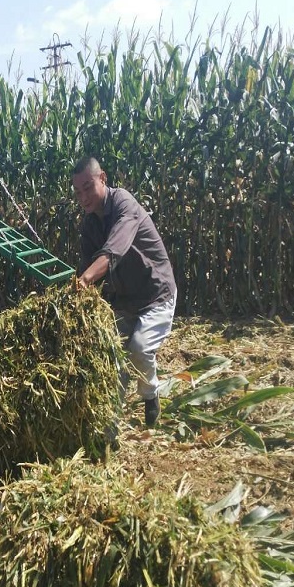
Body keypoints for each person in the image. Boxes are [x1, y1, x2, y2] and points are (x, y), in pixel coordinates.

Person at [72, 156, 176, 427]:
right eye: (77, 191)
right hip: (125, 300)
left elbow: (113, 251)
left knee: (139, 349)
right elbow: (86, 269)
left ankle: (151, 395)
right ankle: (109, 426)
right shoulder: (89, 226)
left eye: (88, 187)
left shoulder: (124, 204)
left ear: (103, 178)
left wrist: (84, 280)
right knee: (109, 354)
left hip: (155, 293)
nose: (83, 197)